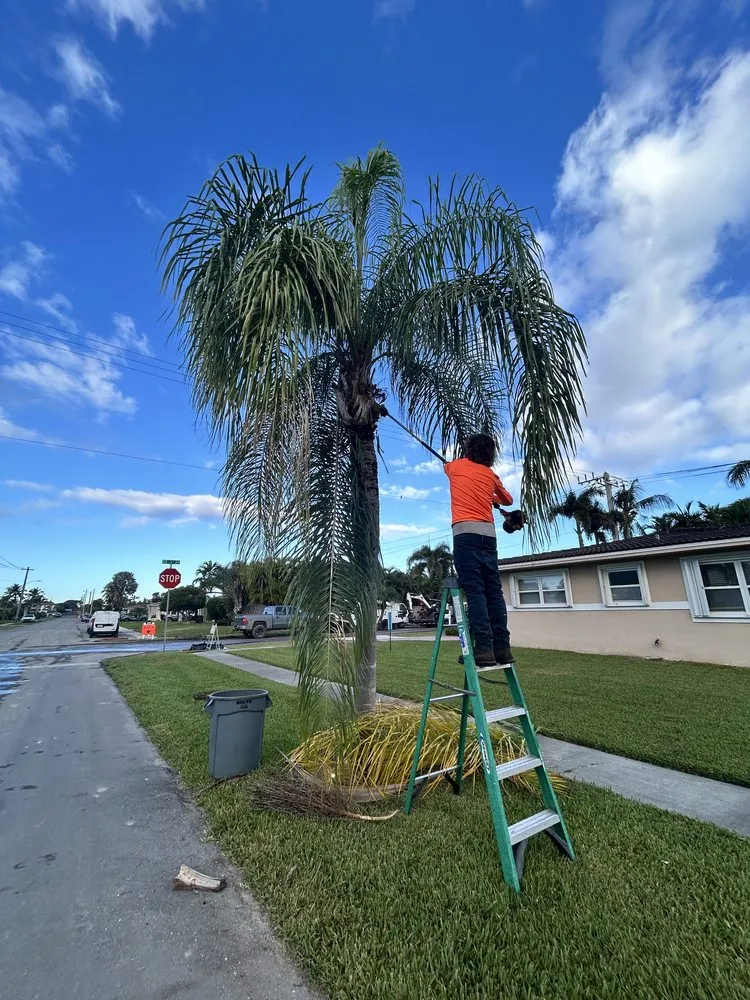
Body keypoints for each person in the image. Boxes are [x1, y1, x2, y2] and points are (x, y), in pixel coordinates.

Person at [444, 434, 514, 667]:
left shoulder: (456, 466)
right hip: (489, 537)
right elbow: (508, 500)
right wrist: (490, 496)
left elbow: (447, 468)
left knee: (475, 591)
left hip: (466, 534)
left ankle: (483, 648)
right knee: (493, 591)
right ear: (491, 454)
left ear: (468, 449)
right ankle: (502, 648)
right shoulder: (490, 475)